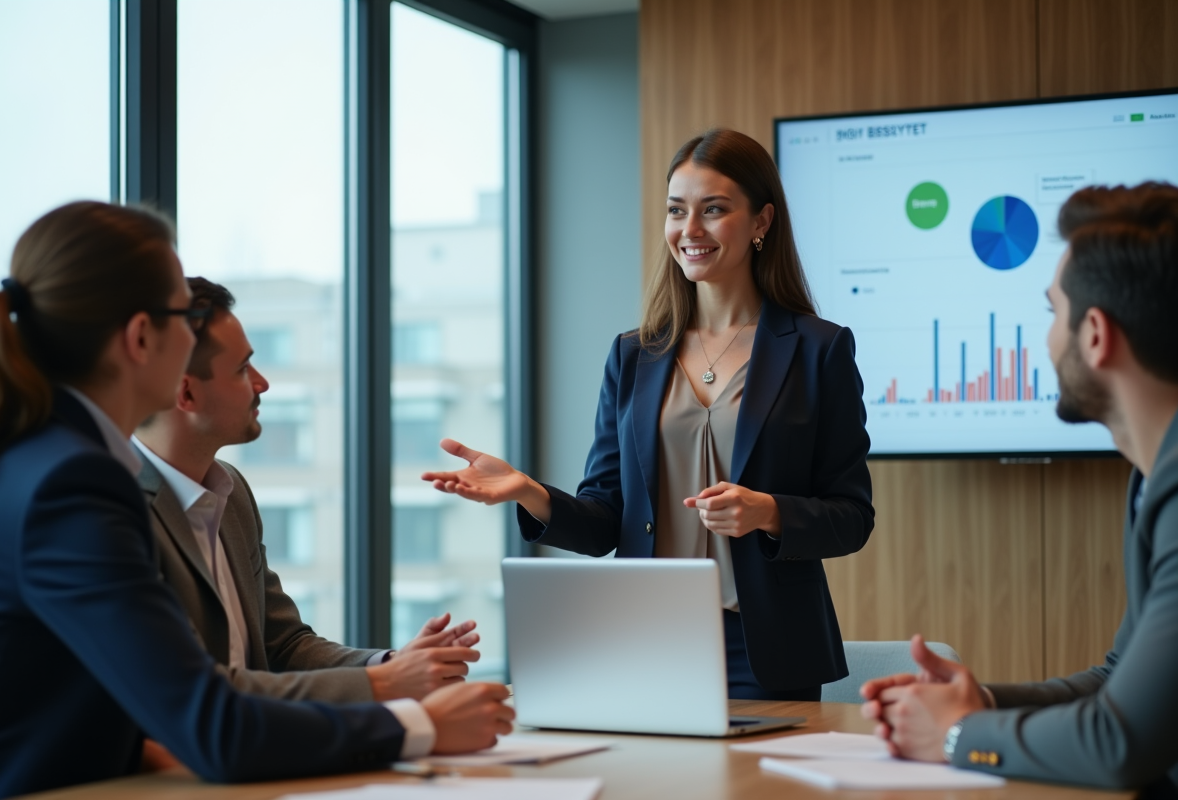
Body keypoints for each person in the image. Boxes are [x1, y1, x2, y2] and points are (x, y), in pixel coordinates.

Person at [0, 202, 513, 800]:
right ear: (141, 337)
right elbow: (211, 723)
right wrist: (420, 725)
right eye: (185, 314)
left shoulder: (41, 458)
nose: (194, 330)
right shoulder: (73, 483)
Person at [423, 129, 874, 699]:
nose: (690, 230)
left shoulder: (819, 350)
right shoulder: (634, 355)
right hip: (647, 643)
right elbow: (605, 521)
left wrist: (769, 512)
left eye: (714, 210)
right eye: (676, 211)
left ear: (761, 222)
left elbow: (853, 516)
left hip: (765, 650)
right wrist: (527, 491)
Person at [860, 183, 1178, 794]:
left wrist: (956, 737)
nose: (1047, 339)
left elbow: (1121, 744)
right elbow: (1118, 682)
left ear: (1094, 335)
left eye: (1051, 312)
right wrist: (978, 701)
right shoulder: (1152, 475)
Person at [133, 277, 480, 704]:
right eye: (243, 369)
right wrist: (386, 686)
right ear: (186, 391)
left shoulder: (232, 491)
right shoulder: (119, 513)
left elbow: (284, 646)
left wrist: (393, 664)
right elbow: (198, 692)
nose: (262, 383)